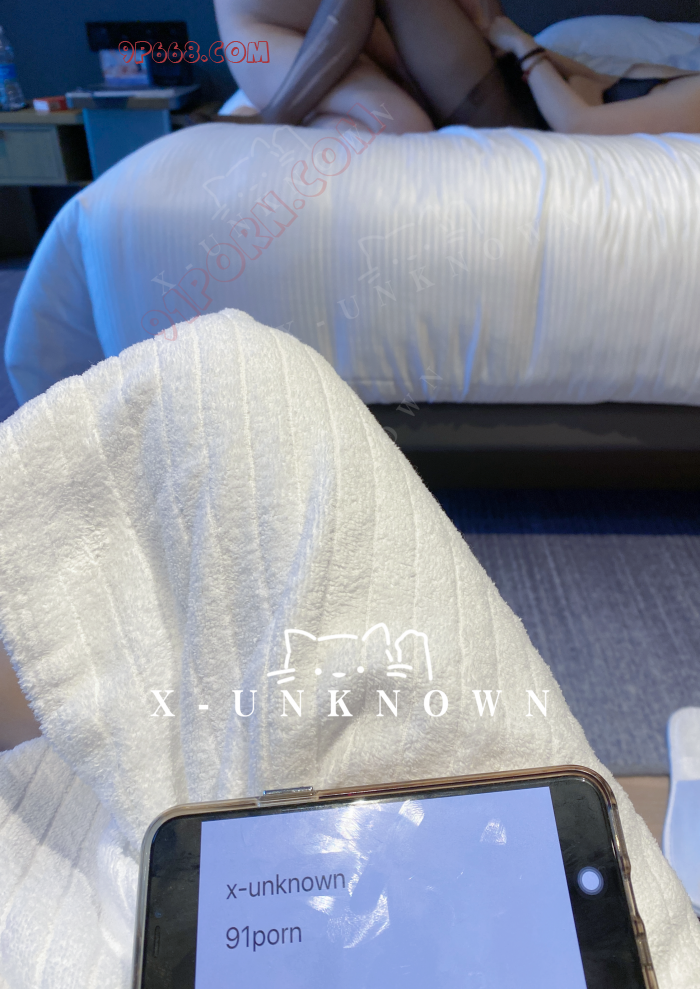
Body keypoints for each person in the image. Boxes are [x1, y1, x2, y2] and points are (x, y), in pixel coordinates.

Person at [213, 0, 700, 134]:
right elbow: (598, 80)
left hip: (503, 111)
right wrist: (521, 44)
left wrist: (523, 49)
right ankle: (283, 104)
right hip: (508, 83)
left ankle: (276, 116)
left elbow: (579, 122)